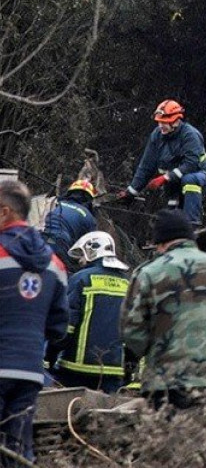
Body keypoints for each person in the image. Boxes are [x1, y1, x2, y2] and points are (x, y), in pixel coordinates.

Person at [122, 210, 206, 411]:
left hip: (164, 380)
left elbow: (131, 328)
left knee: (168, 436)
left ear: (161, 242)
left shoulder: (148, 273)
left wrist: (153, 352)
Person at [0, 180, 68, 468]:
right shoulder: (56, 264)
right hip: (29, 372)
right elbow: (58, 327)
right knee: (16, 451)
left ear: (4, 212)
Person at [50, 231, 130, 392]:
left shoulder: (81, 279)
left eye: (82, 255)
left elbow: (66, 325)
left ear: (91, 250)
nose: (80, 261)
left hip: (75, 369)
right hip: (114, 371)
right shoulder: (128, 283)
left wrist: (50, 356)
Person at [117, 100, 206, 225]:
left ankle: (192, 224)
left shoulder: (190, 135)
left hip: (201, 177)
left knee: (189, 180)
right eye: (159, 122)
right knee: (171, 213)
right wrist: (131, 192)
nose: (161, 126)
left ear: (176, 120)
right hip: (174, 184)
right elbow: (146, 166)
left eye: (164, 122)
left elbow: (191, 164)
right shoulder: (157, 135)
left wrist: (165, 177)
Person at [43, 179, 99, 261]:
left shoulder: (57, 204)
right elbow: (91, 246)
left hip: (42, 239)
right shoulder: (88, 216)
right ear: (89, 199)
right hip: (62, 246)